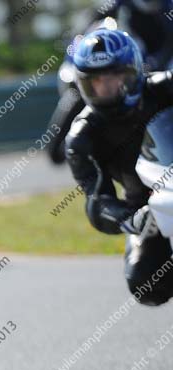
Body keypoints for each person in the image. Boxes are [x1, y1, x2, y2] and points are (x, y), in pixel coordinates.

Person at [66, 29, 173, 305]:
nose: (108, 88)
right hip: (151, 210)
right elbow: (97, 201)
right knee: (145, 282)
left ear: (134, 71)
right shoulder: (82, 136)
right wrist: (133, 218)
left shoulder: (164, 88)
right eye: (97, 82)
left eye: (116, 77)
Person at [97, 0, 173, 70]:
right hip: (133, 44)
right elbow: (100, 13)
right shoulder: (120, 2)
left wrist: (156, 63)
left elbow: (170, 41)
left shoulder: (168, 6)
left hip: (161, 55)